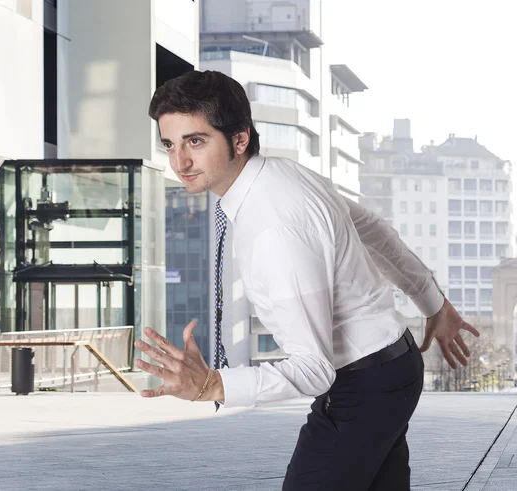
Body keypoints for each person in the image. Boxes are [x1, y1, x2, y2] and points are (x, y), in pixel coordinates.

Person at [133, 70, 480, 490]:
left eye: (196, 141)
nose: (179, 162)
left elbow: (314, 371)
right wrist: (434, 304)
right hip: (393, 368)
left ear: (239, 139)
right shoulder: (280, 174)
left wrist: (213, 385)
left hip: (363, 384)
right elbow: (372, 228)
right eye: (170, 144)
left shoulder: (273, 226)